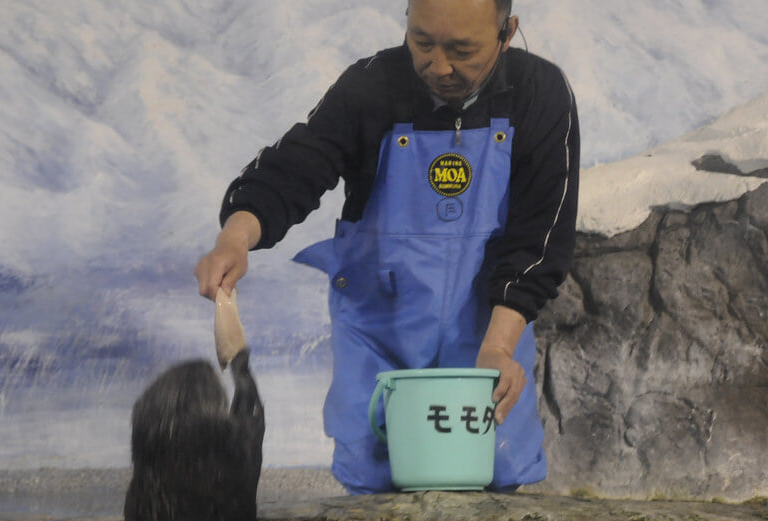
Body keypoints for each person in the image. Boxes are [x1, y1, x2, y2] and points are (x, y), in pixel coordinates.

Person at [194, 0, 579, 494]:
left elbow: (541, 234)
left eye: (462, 50)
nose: (438, 66)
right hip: (378, 338)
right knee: (376, 482)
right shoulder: (370, 85)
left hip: (486, 339)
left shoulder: (538, 92)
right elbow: (298, 165)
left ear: (507, 32)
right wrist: (236, 237)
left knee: (491, 474)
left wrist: (500, 345)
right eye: (421, 42)